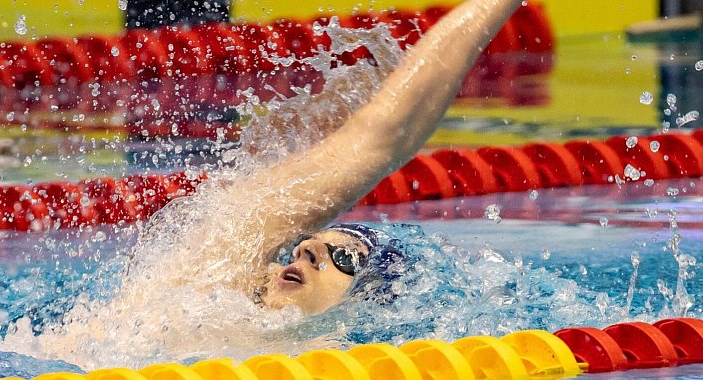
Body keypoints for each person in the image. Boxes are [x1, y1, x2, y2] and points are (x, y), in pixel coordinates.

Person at [212, 0, 526, 315]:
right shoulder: (211, 284)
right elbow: (382, 137)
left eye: (345, 258)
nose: (305, 248)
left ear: (368, 300)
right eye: (302, 244)